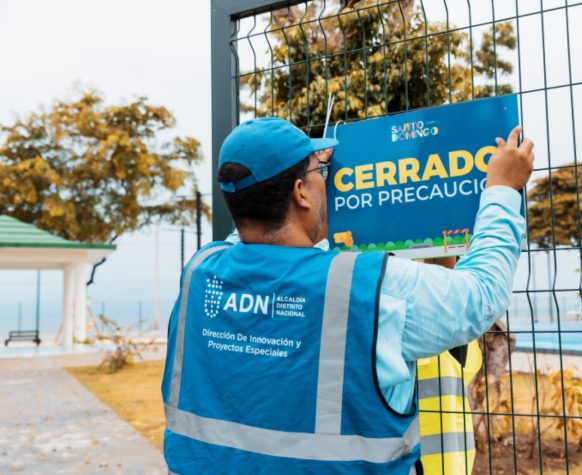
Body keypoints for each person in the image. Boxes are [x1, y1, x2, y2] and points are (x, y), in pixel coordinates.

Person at [161, 117, 534, 474]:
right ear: (300, 192)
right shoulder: (364, 287)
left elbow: (247, 230)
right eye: (317, 174)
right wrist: (502, 189)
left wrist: (297, 173)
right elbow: (481, 294)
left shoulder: (200, 272)